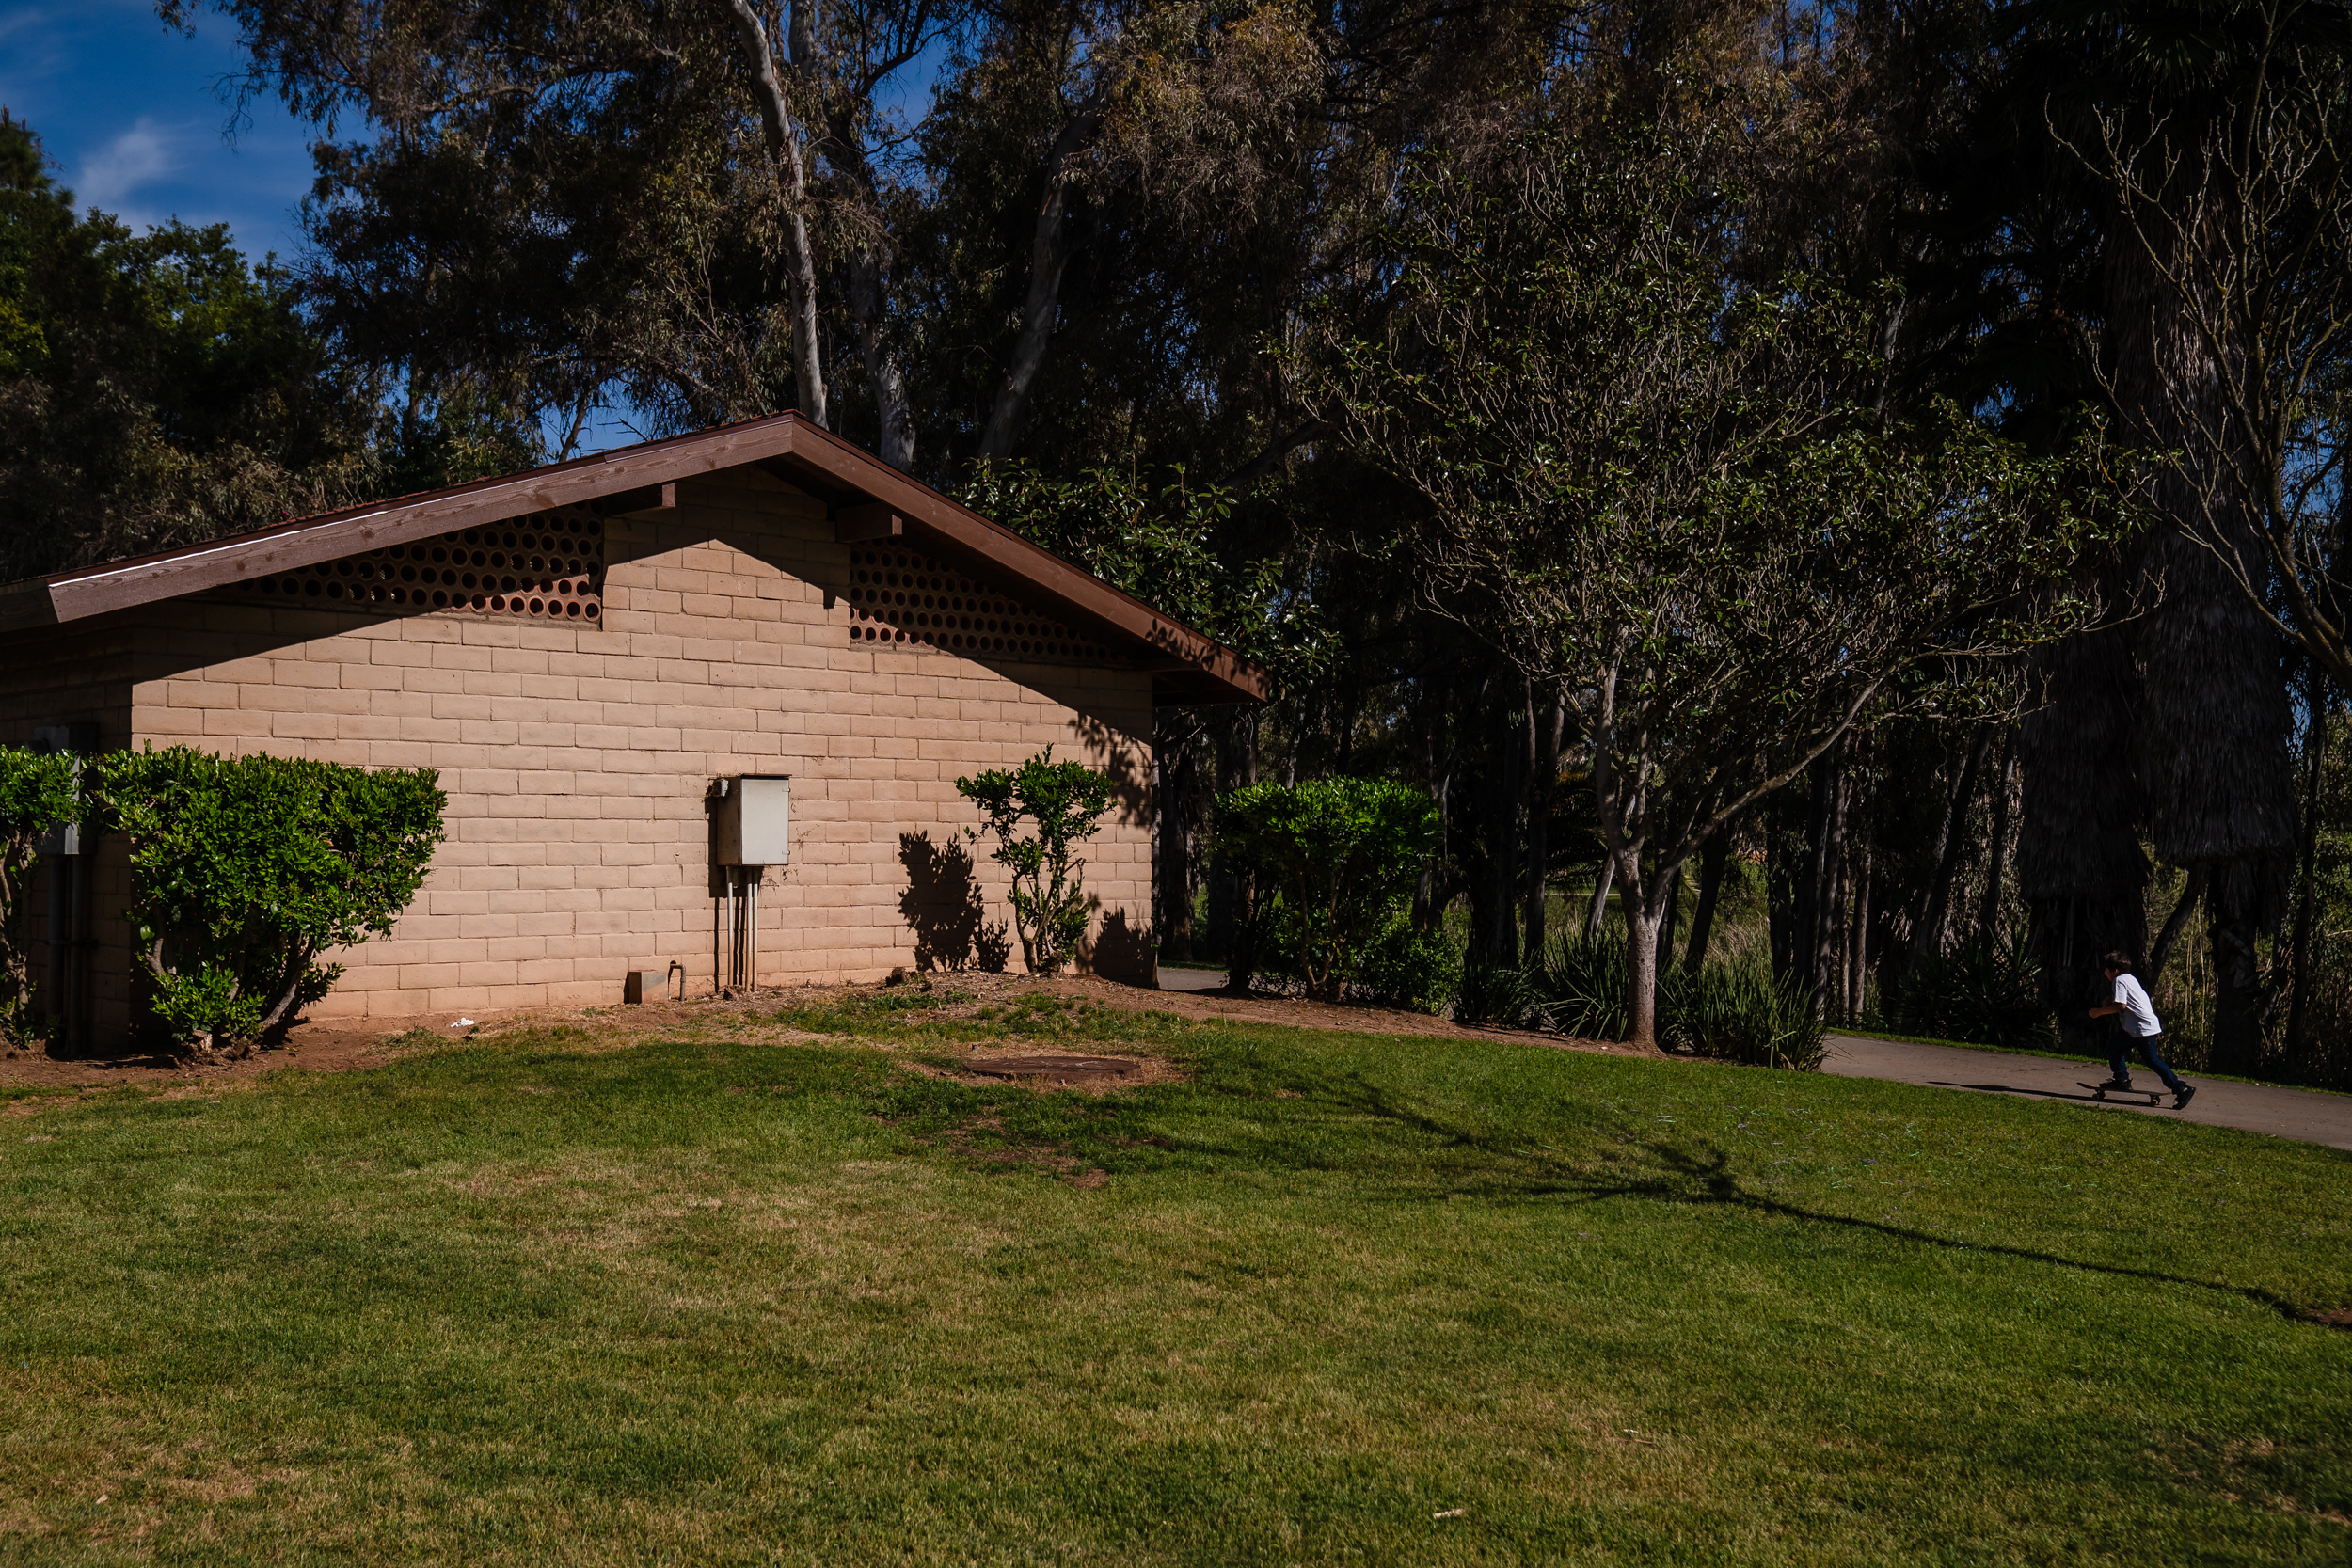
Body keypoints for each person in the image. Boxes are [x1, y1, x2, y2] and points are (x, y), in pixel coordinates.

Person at [2087, 951, 2195, 1110]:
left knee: (2152, 1060)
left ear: (2115, 970)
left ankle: (2181, 1088)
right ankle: (2121, 1081)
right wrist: (2111, 998)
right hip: (2138, 1028)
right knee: (2115, 1047)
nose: (2104, 972)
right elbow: (2126, 1000)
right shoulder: (2129, 978)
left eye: (2106, 969)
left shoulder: (2118, 980)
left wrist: (2098, 1012)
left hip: (2142, 1029)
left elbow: (2121, 1006)